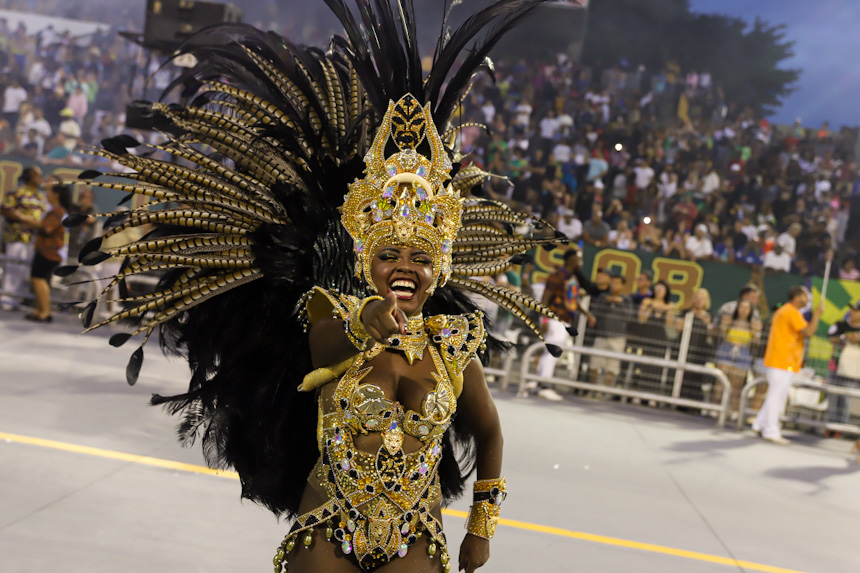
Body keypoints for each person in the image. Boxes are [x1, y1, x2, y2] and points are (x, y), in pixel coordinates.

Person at [67, 4, 563, 573]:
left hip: (418, 533)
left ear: (441, 267)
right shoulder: (330, 308)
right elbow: (326, 348)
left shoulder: (454, 342)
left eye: (420, 257)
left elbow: (491, 432)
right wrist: (364, 323)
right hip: (328, 528)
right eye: (389, 254)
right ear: (366, 258)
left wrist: (482, 526)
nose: (405, 266)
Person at [753, 287, 824, 445]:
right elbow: (809, 332)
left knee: (777, 394)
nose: (808, 299)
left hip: (783, 361)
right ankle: (771, 431)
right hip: (782, 361)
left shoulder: (789, 311)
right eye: (806, 296)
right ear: (797, 297)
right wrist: (817, 314)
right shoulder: (790, 311)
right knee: (776, 396)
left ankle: (759, 424)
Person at [533, 249, 596, 401]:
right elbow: (545, 298)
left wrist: (586, 314)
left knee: (550, 352)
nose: (581, 263)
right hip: (555, 319)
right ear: (571, 260)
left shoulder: (573, 277)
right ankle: (545, 385)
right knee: (554, 352)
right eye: (579, 259)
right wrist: (545, 320)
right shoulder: (557, 276)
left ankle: (539, 382)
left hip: (564, 319)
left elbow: (574, 300)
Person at [10, 182, 72, 321]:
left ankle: (45, 311)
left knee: (39, 279)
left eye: (49, 192)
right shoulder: (58, 210)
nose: (46, 195)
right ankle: (40, 310)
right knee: (38, 279)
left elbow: (47, 227)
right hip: (48, 250)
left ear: (57, 195)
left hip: (49, 251)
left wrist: (22, 218)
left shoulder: (57, 210)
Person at [1, 166, 45, 311]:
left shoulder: (39, 196)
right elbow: (5, 209)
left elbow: (43, 216)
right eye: (36, 175)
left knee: (24, 270)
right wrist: (26, 219)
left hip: (33, 238)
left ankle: (15, 298)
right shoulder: (16, 191)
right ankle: (6, 299)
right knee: (13, 267)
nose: (40, 178)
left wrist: (34, 224)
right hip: (16, 234)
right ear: (28, 176)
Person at [715, 298, 762, 416]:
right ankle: (716, 408)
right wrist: (723, 326)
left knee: (736, 386)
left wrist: (756, 331)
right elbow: (721, 335)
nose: (744, 310)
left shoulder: (752, 325)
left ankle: (735, 411)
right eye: (742, 307)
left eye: (747, 308)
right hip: (726, 352)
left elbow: (756, 342)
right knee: (721, 382)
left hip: (742, 356)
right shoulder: (730, 321)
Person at [588, 273, 632, 389]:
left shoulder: (626, 300)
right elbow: (595, 313)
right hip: (601, 335)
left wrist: (620, 303)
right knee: (594, 364)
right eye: (613, 283)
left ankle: (605, 391)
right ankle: (594, 389)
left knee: (612, 367)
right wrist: (607, 301)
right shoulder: (603, 297)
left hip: (618, 337)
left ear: (622, 286)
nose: (614, 286)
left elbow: (629, 317)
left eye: (617, 283)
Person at [826, 302, 860, 428]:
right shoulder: (841, 325)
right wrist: (844, 337)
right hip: (835, 365)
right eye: (851, 310)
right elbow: (831, 338)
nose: (852, 312)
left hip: (852, 369)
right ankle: (830, 425)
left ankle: (840, 427)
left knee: (846, 398)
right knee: (833, 396)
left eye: (856, 311)